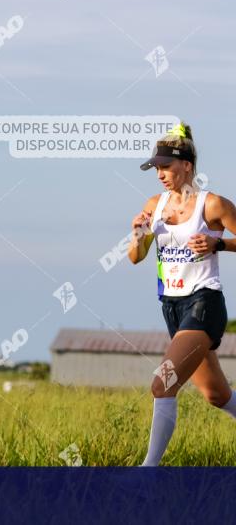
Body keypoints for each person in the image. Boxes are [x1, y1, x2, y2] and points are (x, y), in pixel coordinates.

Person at [128, 123, 236, 466]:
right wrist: (138, 234)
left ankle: (148, 474)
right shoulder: (153, 205)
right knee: (217, 395)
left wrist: (218, 243)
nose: (160, 174)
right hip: (172, 308)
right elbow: (135, 257)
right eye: (156, 168)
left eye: (167, 167)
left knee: (163, 384)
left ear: (187, 165)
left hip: (204, 302)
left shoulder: (213, 204)